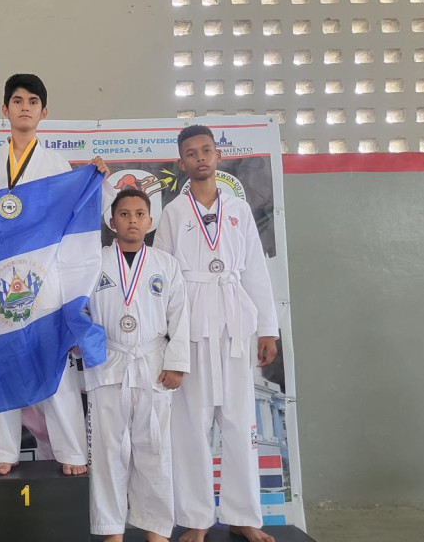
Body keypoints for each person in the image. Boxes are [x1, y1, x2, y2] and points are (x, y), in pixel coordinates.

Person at [0, 73, 113, 477]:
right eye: (17, 100)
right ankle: (0, 451)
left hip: (43, 278)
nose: (24, 107)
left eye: (33, 102)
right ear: (4, 109)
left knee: (52, 363)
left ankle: (71, 450)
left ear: (44, 113)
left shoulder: (57, 165)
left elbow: (76, 216)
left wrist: (96, 179)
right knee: (1, 364)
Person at [153, 125, 279, 542]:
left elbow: (255, 270)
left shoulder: (239, 210)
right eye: (191, 153)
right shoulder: (173, 213)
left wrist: (267, 329)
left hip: (234, 323)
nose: (200, 158)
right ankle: (197, 518)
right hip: (190, 325)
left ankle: (243, 515)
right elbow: (165, 278)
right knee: (191, 425)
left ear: (217, 155)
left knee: (240, 422)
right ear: (182, 162)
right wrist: (168, 339)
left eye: (206, 150)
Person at [83, 188, 190, 542]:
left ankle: (156, 531)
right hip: (108, 363)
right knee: (108, 453)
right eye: (124, 214)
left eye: (139, 214)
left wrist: (177, 363)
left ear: (150, 221)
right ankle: (111, 532)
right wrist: (84, 342)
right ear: (112, 222)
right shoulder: (94, 261)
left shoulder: (165, 264)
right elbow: (77, 308)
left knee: (154, 451)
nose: (132, 220)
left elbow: (180, 316)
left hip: (153, 365)